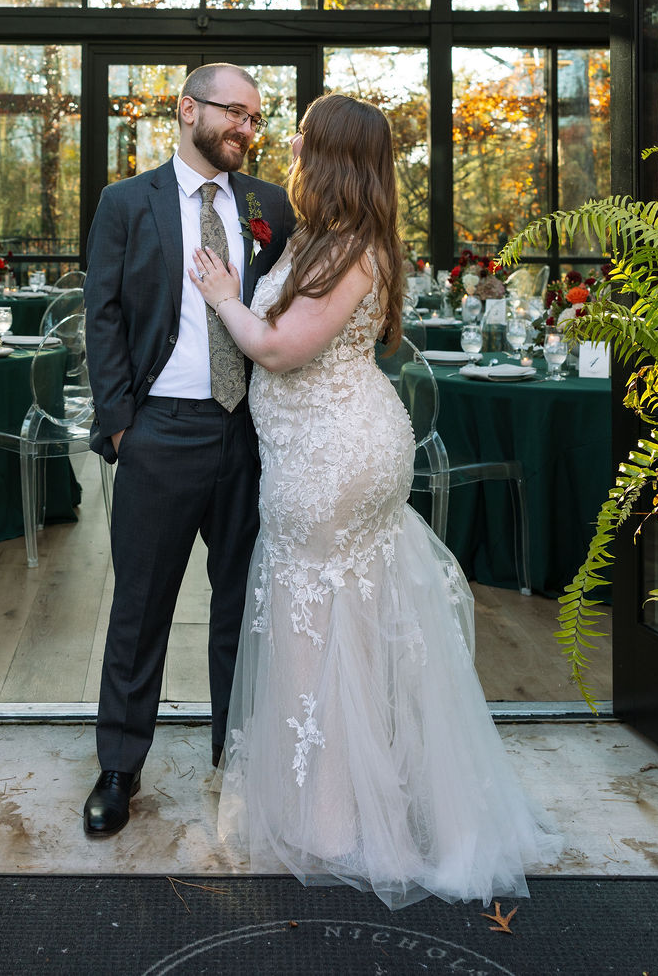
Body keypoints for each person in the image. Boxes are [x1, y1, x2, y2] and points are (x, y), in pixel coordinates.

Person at [190, 93, 560, 908]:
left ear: (330, 155)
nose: (288, 144)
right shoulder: (334, 237)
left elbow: (281, 349)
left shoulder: (352, 247)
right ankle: (349, 800)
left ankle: (332, 819)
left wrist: (221, 293)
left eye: (303, 138)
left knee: (315, 621)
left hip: (332, 458)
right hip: (328, 449)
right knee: (343, 624)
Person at [82, 62, 296, 837]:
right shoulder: (125, 203)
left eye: (255, 118)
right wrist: (120, 425)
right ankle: (118, 767)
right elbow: (100, 315)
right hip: (159, 431)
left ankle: (236, 760)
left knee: (246, 605)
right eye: (234, 113)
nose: (246, 129)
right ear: (187, 110)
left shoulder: (272, 205)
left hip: (250, 434)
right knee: (141, 608)